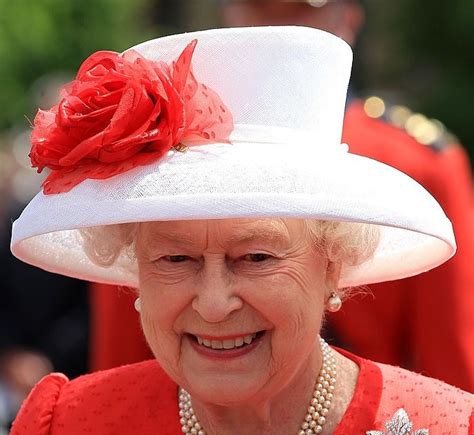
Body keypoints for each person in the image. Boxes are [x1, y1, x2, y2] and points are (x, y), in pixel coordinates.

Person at [1, 26, 473, 435]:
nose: (215, 302)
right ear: (133, 271)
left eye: (256, 257)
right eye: (176, 259)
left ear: (333, 262)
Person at [90, 0, 474, 393]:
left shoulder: (420, 165)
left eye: (303, 11)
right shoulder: (153, 162)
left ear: (347, 20)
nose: (277, 27)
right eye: (259, 8)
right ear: (229, 14)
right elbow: (120, 378)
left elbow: (452, 373)